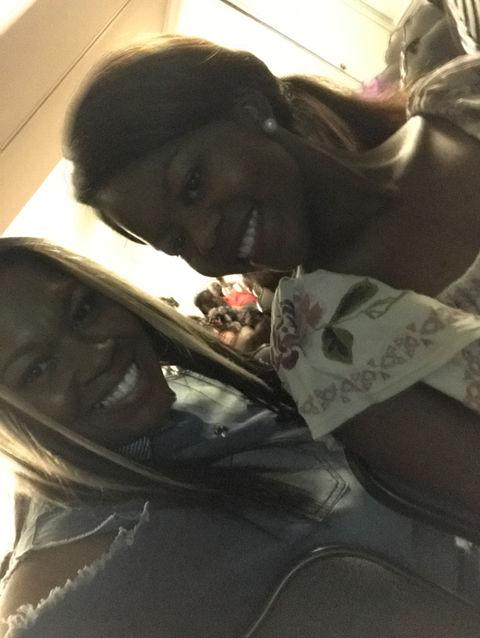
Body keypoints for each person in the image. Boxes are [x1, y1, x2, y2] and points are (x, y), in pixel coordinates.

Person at [64, 35, 480, 513]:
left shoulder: (459, 98)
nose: (204, 238)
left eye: (193, 185)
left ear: (251, 110)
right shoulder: (320, 349)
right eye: (176, 242)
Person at [0, 237, 479, 638]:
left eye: (82, 310)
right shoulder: (78, 555)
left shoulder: (186, 386)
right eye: (37, 369)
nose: (96, 355)